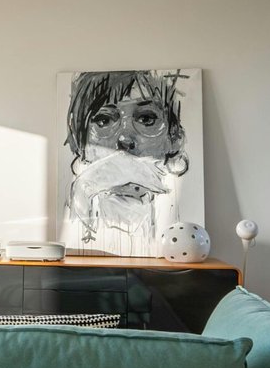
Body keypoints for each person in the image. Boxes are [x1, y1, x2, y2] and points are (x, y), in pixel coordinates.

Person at [61, 69, 190, 256]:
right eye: (103, 120)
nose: (124, 139)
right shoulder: (77, 208)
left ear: (175, 137)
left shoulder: (175, 211)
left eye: (146, 119)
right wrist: (81, 201)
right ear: (78, 140)